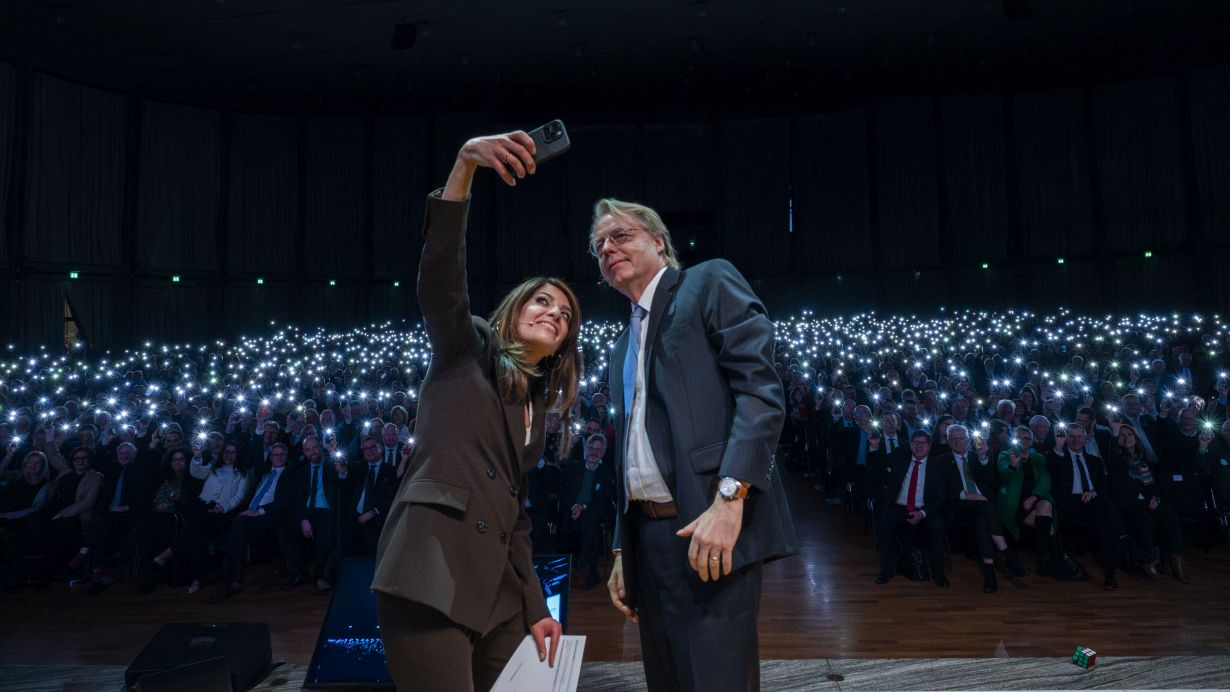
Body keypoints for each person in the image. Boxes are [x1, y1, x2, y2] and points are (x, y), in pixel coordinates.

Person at [371, 130, 580, 691]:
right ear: (514, 312)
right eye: (542, 300)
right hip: (431, 574)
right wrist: (464, 166)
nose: (554, 314)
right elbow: (442, 277)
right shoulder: (470, 347)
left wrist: (537, 605)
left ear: (563, 345)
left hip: (500, 597)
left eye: (564, 315)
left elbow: (515, 517)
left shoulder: (536, 407)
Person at [594, 195, 796, 692]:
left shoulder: (707, 280)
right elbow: (632, 453)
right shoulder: (623, 341)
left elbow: (762, 394)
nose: (606, 248)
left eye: (619, 235)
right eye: (598, 245)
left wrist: (730, 499)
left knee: (717, 679)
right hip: (647, 539)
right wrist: (623, 548)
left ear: (659, 242)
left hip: (711, 522)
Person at [873, 429, 952, 588]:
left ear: (929, 446)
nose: (919, 446)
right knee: (884, 527)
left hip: (925, 508)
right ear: (910, 445)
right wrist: (874, 447)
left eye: (923, 443)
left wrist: (922, 513)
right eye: (915, 442)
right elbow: (877, 464)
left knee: (937, 528)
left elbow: (940, 497)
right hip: (900, 505)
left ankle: (938, 573)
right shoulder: (900, 459)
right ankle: (887, 571)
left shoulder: (937, 466)